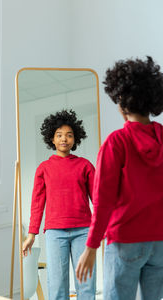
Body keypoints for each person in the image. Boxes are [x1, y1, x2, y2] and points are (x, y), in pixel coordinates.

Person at [76, 56, 163, 300]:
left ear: (121, 101)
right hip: (160, 242)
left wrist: (91, 247)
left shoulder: (117, 142)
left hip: (125, 240)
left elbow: (103, 201)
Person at [23, 109, 96, 300]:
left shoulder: (85, 165)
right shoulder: (44, 168)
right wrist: (32, 235)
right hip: (55, 233)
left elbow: (98, 198)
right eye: (59, 135)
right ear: (52, 139)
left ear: (75, 139)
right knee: (57, 286)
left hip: (84, 231)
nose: (64, 139)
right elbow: (37, 203)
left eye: (69, 135)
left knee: (86, 284)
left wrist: (107, 225)